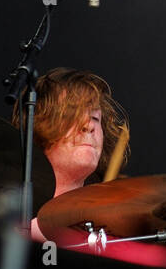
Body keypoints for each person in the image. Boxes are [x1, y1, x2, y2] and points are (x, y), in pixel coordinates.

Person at [11, 67, 129, 242]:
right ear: (38, 126)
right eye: (73, 115)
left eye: (95, 118)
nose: (89, 126)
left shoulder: (110, 227)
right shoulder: (2, 224)